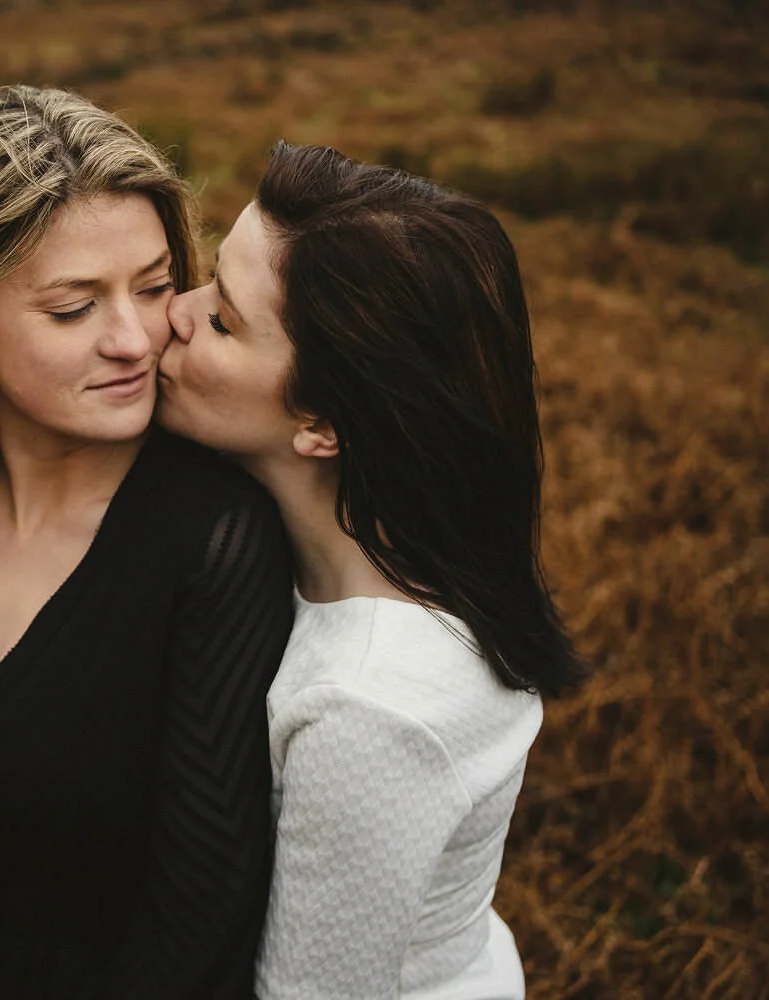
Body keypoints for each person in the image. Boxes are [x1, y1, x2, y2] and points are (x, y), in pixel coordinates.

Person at [0, 85, 294, 1000]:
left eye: (155, 288)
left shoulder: (214, 541)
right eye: (74, 307)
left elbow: (201, 916)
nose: (133, 339)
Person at [156, 142, 583, 1000]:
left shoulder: (371, 709)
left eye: (224, 320)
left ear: (320, 421)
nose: (175, 311)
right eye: (207, 278)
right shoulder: (412, 551)